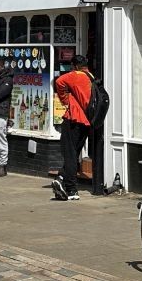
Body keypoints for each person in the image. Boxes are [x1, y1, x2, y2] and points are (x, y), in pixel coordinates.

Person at [52, 54, 92, 201]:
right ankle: (63, 179)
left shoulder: (75, 75)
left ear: (74, 66)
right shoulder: (91, 77)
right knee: (74, 153)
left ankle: (71, 188)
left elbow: (59, 81)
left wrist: (65, 99)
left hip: (74, 118)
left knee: (69, 153)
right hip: (87, 121)